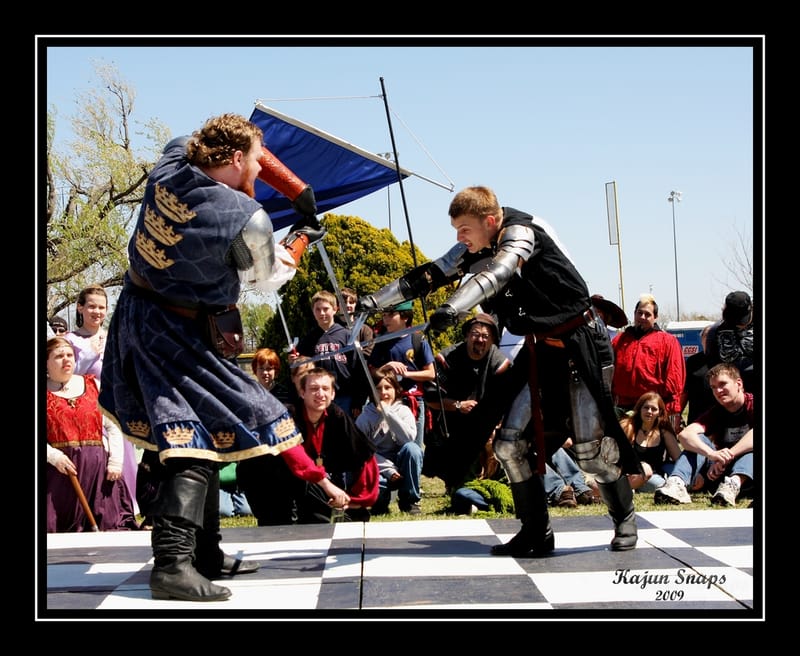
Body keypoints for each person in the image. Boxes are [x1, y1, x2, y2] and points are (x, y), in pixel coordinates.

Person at [98, 113, 352, 602]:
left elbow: (220, 141)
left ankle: (206, 552)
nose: (260, 168)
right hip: (174, 333)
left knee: (214, 434)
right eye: (255, 161)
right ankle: (173, 564)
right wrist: (301, 233)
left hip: (140, 312)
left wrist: (296, 188)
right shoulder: (247, 219)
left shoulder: (175, 159)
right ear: (235, 159)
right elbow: (265, 278)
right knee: (190, 443)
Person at [357, 185, 643, 555]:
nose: (459, 238)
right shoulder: (479, 244)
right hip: (541, 349)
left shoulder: (521, 234)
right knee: (508, 445)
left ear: (490, 221)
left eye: (464, 229)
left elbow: (499, 272)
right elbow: (429, 275)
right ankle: (536, 532)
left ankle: (624, 517)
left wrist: (454, 308)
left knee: (589, 452)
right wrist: (373, 300)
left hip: (580, 346)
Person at [241, 367, 379, 524]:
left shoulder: (337, 415)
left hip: (308, 479)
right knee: (280, 525)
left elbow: (364, 454)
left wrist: (359, 499)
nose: (320, 394)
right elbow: (294, 455)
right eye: (314, 389)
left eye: (325, 388)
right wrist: (327, 485)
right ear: (302, 393)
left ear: (333, 394)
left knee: (348, 519)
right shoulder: (285, 414)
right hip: (264, 480)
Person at [46, 337, 140, 532]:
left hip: (98, 473)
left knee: (108, 524)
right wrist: (53, 456)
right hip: (58, 475)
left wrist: (115, 461)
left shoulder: (93, 386)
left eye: (70, 355)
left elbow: (113, 425)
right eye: (59, 356)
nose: (66, 359)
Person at [65, 284, 140, 519]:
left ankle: (127, 510)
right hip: (85, 412)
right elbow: (66, 375)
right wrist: (89, 354)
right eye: (91, 306)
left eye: (101, 307)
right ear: (80, 308)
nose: (97, 312)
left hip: (115, 409)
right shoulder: (70, 340)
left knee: (123, 461)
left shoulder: (114, 337)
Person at [423, 313, 511, 481]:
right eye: (475, 334)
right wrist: (458, 405)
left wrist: (495, 424)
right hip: (451, 424)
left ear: (493, 340)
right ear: (466, 336)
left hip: (486, 425)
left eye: (485, 336)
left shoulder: (500, 364)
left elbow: (507, 401)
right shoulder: (446, 358)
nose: (480, 340)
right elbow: (431, 399)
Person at [654, 363, 754, 507]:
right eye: (713, 387)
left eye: (723, 384)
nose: (718, 391)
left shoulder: (753, 404)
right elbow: (685, 435)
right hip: (718, 470)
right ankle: (676, 483)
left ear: (738, 384)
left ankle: (732, 485)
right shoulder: (716, 411)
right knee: (698, 440)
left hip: (747, 472)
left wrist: (727, 456)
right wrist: (712, 454)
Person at [611, 293, 686, 431]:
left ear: (655, 317)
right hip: (623, 406)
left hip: (652, 407)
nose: (642, 317)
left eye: (647, 314)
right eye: (639, 313)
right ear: (634, 314)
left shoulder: (668, 342)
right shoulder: (619, 341)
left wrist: (670, 409)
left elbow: (675, 378)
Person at [368, 300, 435, 448]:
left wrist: (407, 374)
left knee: (413, 447)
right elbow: (372, 371)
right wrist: (387, 367)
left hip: (413, 400)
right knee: (385, 445)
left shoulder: (417, 339)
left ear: (405, 316)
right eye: (384, 315)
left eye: (390, 314)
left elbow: (431, 373)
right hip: (387, 400)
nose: (385, 319)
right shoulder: (382, 341)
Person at [356, 366, 423, 514]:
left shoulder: (404, 412)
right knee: (378, 501)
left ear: (396, 390)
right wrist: (388, 470)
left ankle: (409, 501)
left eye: (388, 388)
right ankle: (381, 501)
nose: (383, 393)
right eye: (378, 389)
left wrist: (388, 412)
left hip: (402, 461)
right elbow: (361, 451)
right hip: (379, 466)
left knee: (413, 449)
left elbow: (408, 438)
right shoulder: (365, 418)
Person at [291, 290, 356, 415]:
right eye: (318, 309)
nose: (322, 313)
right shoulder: (308, 339)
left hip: (344, 396)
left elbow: (357, 368)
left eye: (326, 309)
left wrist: (358, 400)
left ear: (335, 309)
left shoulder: (346, 336)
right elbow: (301, 370)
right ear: (313, 311)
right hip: (319, 396)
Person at [619, 391, 682, 493]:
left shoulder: (664, 431)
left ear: (660, 412)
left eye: (654, 409)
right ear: (639, 409)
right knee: (660, 485)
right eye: (646, 407)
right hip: (637, 473)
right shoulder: (628, 427)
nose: (649, 411)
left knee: (683, 479)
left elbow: (679, 458)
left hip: (659, 470)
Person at [704, 291, 754, 394]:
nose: (739, 325)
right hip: (731, 391)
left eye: (742, 320)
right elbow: (712, 365)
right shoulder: (716, 332)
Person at [340, 286, 376, 415]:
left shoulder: (365, 330)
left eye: (351, 302)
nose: (348, 305)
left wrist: (358, 400)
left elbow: (367, 359)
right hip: (337, 391)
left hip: (358, 389)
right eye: (344, 302)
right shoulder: (333, 329)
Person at [681, 324, 715, 424]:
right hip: (696, 417)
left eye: (712, 336)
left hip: (720, 417)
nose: (709, 339)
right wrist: (679, 414)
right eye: (706, 335)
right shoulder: (692, 361)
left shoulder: (724, 360)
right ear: (701, 339)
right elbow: (685, 391)